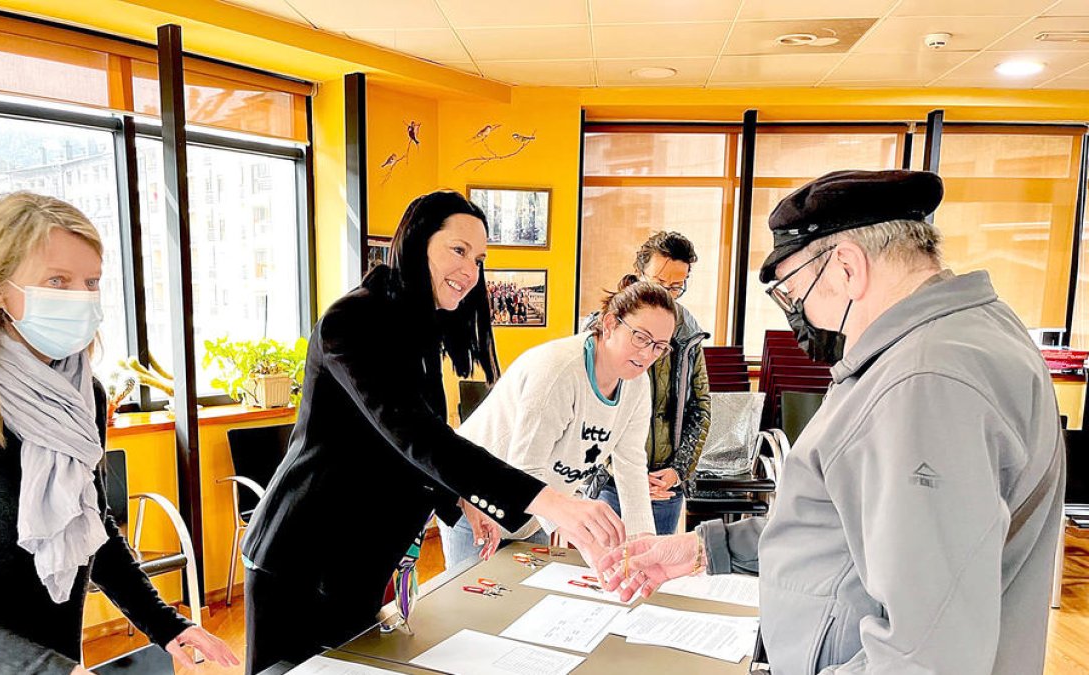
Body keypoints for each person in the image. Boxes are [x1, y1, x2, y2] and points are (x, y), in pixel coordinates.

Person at [601, 170, 1066, 675]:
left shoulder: (926, 381)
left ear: (847, 267)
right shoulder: (951, 342)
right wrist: (706, 549)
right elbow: (849, 526)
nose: (799, 315)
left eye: (796, 291)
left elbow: (925, 655)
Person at [241, 190, 626, 674]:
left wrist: (459, 498)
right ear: (418, 242)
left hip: (361, 561)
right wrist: (552, 503)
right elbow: (416, 435)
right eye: (458, 250)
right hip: (302, 556)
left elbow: (413, 445)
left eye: (479, 259)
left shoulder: (420, 328)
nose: (471, 271)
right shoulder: (353, 321)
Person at [0, 192, 238, 675]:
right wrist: (42, 669)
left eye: (91, 282)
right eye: (58, 281)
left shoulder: (82, 393)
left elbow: (89, 523)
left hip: (49, 648)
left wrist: (163, 622)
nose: (81, 297)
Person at [440, 276, 675, 569]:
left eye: (660, 347)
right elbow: (525, 470)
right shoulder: (558, 371)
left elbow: (631, 467)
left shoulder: (636, 385)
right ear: (610, 324)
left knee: (531, 593)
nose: (648, 354)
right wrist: (583, 537)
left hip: (535, 513)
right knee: (473, 594)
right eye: (641, 337)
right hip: (477, 505)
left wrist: (644, 546)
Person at [588, 232, 711, 535]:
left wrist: (678, 470)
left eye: (677, 287)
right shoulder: (608, 325)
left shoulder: (688, 333)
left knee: (655, 559)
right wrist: (624, 473)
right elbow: (588, 410)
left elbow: (700, 406)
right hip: (610, 481)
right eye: (659, 283)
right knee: (605, 559)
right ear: (639, 273)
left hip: (664, 483)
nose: (668, 295)